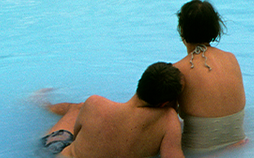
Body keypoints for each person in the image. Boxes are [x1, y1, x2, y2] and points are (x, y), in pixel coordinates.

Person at [39, 62, 184, 158]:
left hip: (57, 152)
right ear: (164, 103)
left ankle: (42, 103)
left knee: (77, 108)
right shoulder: (168, 121)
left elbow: (77, 137)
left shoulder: (94, 103)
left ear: (141, 83)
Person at [174, 0, 246, 153]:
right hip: (238, 144)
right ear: (215, 28)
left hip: (198, 151)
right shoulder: (231, 58)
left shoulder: (179, 70)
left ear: (182, 30)